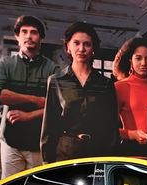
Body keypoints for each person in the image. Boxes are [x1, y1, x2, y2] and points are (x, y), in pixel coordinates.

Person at [0, 15, 58, 178]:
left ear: (41, 38)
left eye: (34, 32)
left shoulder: (52, 69)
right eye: (24, 32)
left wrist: (28, 115)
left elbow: (56, 106)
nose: (29, 36)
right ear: (17, 36)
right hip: (10, 140)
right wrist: (36, 100)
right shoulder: (5, 64)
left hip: (39, 141)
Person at [41, 22, 118, 163]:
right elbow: (49, 126)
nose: (81, 49)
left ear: (93, 48)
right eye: (76, 43)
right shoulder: (56, 80)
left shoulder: (105, 84)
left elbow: (111, 128)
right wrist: (47, 162)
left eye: (87, 44)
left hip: (97, 152)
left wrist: (109, 161)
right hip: (65, 153)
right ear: (68, 47)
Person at [114, 38, 147, 155]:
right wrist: (132, 134)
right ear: (130, 61)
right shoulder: (120, 87)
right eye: (138, 58)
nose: (143, 63)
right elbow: (107, 129)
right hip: (130, 150)